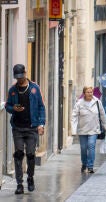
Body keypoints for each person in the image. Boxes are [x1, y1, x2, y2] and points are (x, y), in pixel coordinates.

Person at [5, 64, 46, 194]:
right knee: (18, 155)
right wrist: (13, 109)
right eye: (17, 77)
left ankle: (30, 178)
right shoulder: (12, 90)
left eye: (21, 76)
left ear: (25, 73)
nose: (20, 79)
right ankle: (19, 184)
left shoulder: (34, 88)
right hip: (17, 127)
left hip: (32, 127)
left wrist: (41, 124)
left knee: (30, 155)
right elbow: (7, 106)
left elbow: (41, 107)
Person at [71, 86, 106, 173]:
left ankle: (90, 166)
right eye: (88, 92)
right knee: (84, 148)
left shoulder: (97, 102)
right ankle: (84, 163)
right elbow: (74, 117)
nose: (90, 94)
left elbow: (103, 115)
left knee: (91, 145)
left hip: (94, 129)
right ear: (84, 93)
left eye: (91, 92)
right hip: (83, 129)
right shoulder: (79, 103)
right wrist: (73, 130)